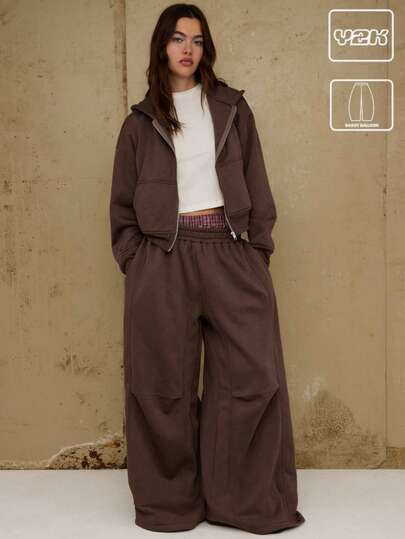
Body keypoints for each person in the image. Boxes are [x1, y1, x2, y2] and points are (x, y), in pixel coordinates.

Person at [109, 3, 306, 534]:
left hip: (228, 249)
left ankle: (241, 502)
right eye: (178, 38)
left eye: (196, 40)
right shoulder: (139, 123)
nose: (187, 49)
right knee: (161, 385)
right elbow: (122, 206)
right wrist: (136, 260)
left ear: (206, 48)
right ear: (162, 46)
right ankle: (170, 505)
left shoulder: (232, 109)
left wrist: (256, 251)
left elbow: (257, 183)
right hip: (163, 258)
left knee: (251, 378)